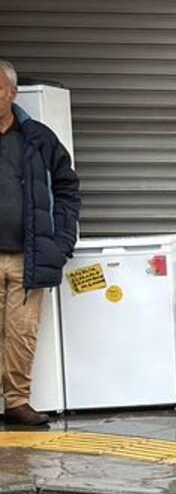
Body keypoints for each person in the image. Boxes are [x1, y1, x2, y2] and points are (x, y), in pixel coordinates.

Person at [0, 60, 80, 426]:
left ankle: (16, 402)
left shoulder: (39, 138)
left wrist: (59, 242)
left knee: (22, 336)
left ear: (13, 94)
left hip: (28, 258)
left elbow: (67, 189)